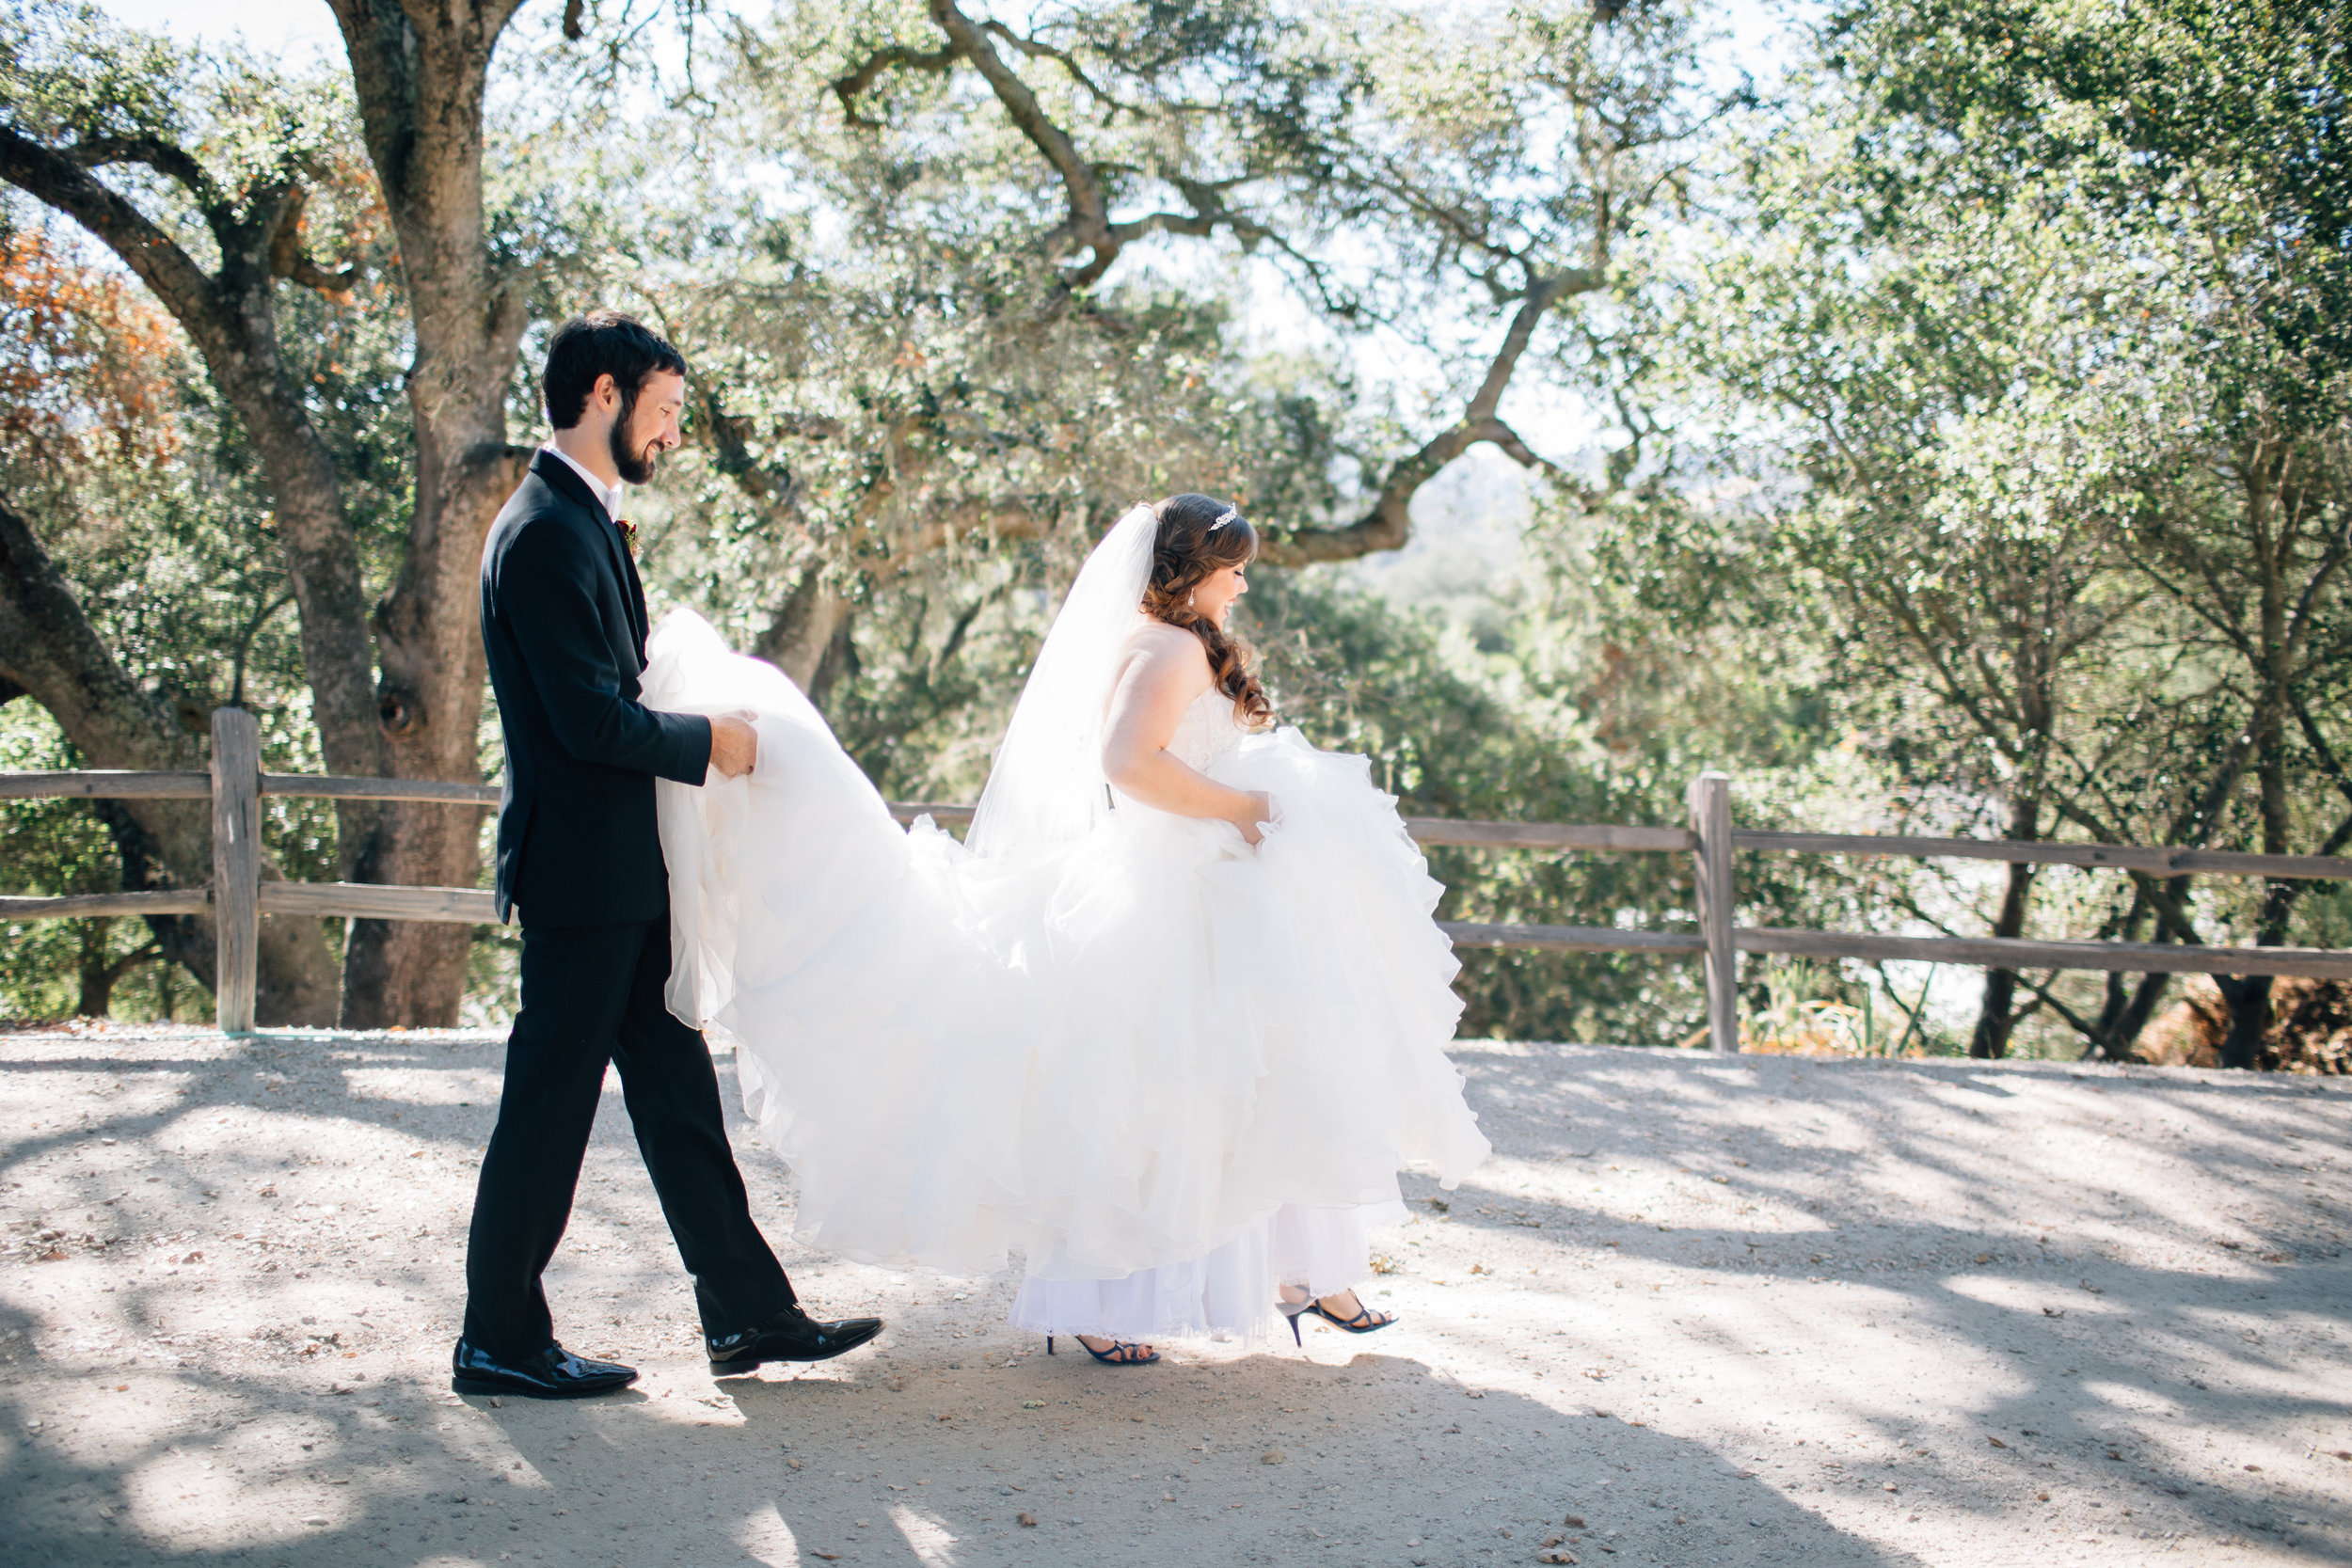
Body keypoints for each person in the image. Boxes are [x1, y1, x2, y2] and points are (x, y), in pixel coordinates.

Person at [646, 494, 1488, 1366]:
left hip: (1213, 888)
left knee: (1263, 1079)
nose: (1243, 582)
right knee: (1147, 1098)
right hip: (1172, 891)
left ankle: (1310, 1273)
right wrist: (1244, 810)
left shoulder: (1180, 642)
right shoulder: (1164, 648)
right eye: (1233, 566)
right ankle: (1097, 1296)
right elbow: (1127, 765)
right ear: (1192, 571)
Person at [456, 310, 881, 1400]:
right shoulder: (544, 530)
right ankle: (498, 1336)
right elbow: (588, 721)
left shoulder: (583, 520)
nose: (676, 434)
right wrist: (712, 742)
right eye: (667, 410)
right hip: (581, 877)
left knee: (677, 1094)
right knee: (547, 1108)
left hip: (622, 872)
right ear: (604, 394)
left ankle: (747, 1315)